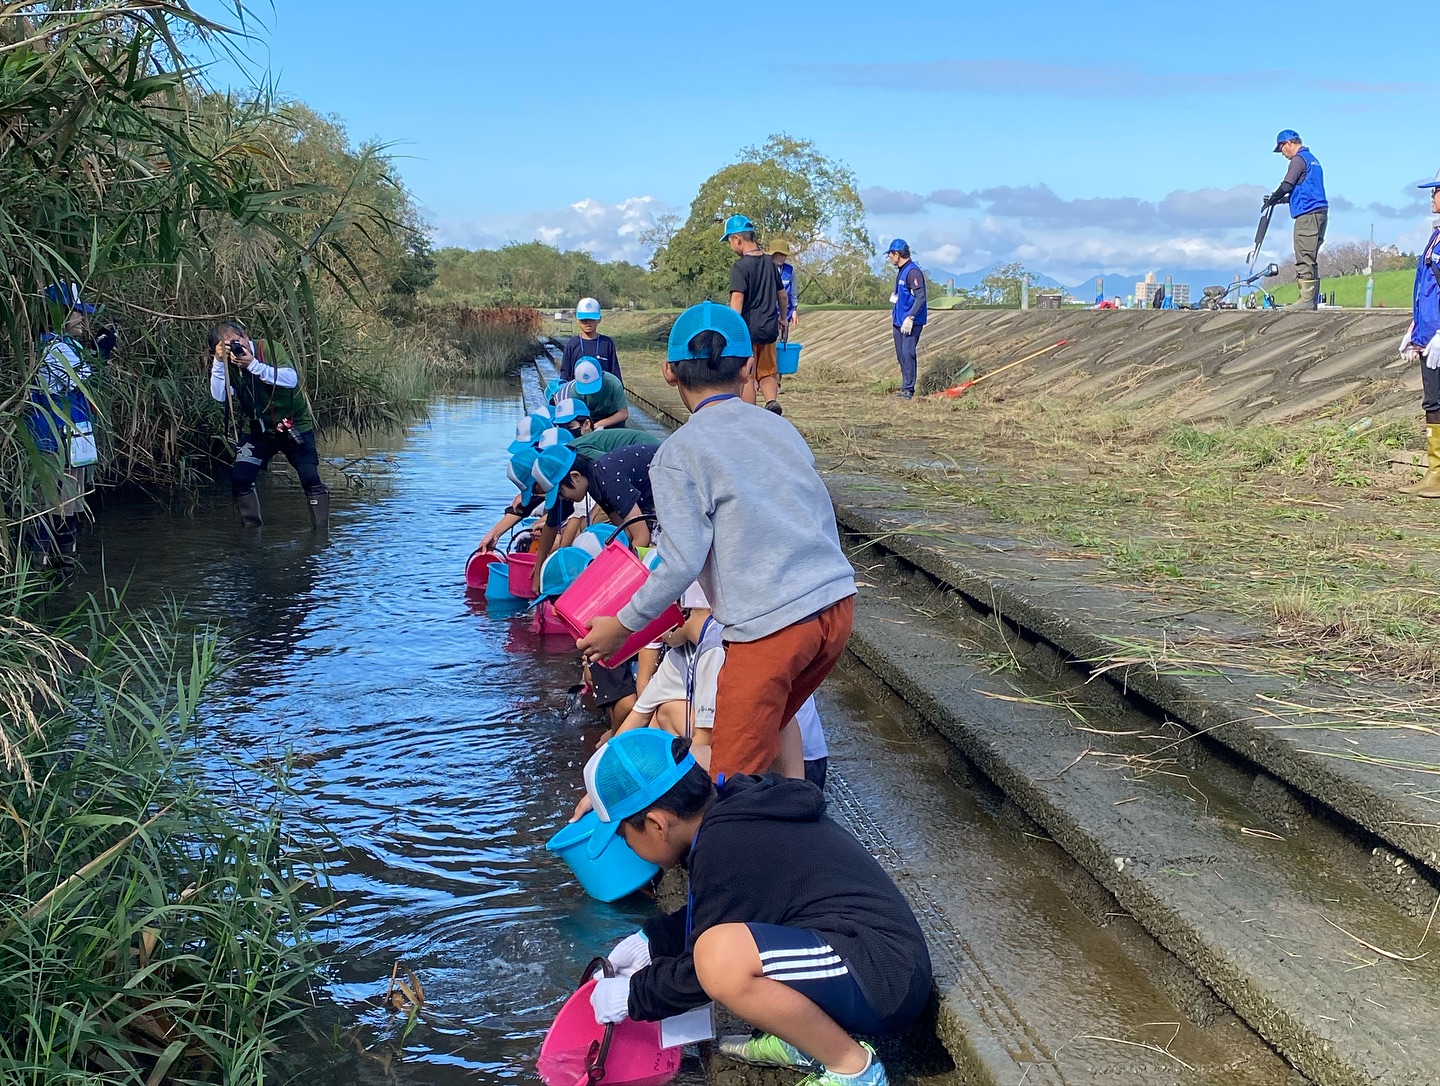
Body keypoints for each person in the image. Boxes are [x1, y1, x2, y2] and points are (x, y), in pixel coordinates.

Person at [576, 302, 856, 780]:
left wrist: (621, 627)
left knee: (730, 771)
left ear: (668, 372)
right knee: (776, 719)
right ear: (749, 367)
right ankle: (796, 807)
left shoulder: (679, 453)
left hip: (773, 626)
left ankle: (732, 843)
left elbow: (680, 560)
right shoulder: (781, 429)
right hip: (836, 605)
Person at [583, 730, 932, 1086]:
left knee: (719, 961)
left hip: (883, 975)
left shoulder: (726, 846)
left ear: (657, 824)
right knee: (717, 949)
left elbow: (702, 973)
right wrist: (652, 941)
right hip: (863, 958)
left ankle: (852, 1068)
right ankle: (804, 1039)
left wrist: (635, 994)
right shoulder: (733, 812)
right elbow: (725, 909)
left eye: (626, 837)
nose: (627, 847)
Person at [208, 321, 329, 532]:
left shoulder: (269, 348)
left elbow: (291, 379)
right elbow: (220, 396)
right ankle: (252, 533)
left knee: (310, 478)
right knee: (241, 479)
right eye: (226, 347)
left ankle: (320, 535)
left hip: (294, 425)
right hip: (260, 429)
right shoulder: (226, 364)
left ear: (246, 335)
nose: (236, 350)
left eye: (237, 343)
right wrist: (219, 363)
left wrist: (253, 364)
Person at [26, 283, 112, 564]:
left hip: (73, 440)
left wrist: (98, 351)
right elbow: (86, 378)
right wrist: (101, 353)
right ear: (60, 314)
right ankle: (42, 569)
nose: (83, 320)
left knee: (70, 504)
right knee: (50, 505)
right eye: (78, 313)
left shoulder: (68, 346)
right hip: (53, 440)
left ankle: (63, 567)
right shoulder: (52, 346)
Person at [1397, 169, 1440, 497]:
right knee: (1432, 403)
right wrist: (1417, 327)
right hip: (1429, 333)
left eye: (1436, 191)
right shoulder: (1435, 236)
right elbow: (1427, 290)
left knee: (1437, 403)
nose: (1432, 196)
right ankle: (1434, 473)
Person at [723, 214, 787, 414]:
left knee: (748, 375)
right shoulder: (770, 263)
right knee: (768, 371)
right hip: (769, 328)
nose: (731, 246)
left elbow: (737, 300)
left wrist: (733, 330)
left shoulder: (740, 267)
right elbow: (782, 296)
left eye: (730, 242)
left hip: (747, 331)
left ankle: (749, 413)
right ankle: (771, 402)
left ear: (738, 239)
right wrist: (783, 319)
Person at [1264, 130, 1328, 311]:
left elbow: (1287, 184)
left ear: (1289, 143)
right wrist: (1283, 199)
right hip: (1319, 212)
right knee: (1311, 255)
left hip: (1308, 214)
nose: (1283, 154)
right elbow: (1304, 189)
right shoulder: (1312, 160)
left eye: (1281, 149)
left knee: (1304, 254)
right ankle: (1311, 300)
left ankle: (1306, 300)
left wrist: (1273, 198)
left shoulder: (1298, 160)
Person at [886, 239, 927, 399]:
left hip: (910, 322)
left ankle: (909, 389)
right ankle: (905, 385)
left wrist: (910, 317)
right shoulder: (901, 271)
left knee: (908, 352)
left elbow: (920, 297)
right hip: (898, 320)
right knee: (901, 354)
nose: (889, 257)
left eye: (890, 254)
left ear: (897, 254)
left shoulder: (913, 272)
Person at [560, 297, 621, 381]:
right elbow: (565, 376)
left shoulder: (607, 344)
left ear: (599, 319)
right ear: (578, 320)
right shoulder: (572, 345)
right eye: (584, 320)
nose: (587, 323)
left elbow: (615, 376)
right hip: (578, 392)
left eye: (591, 319)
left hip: (602, 392)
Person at [564, 357, 629, 429]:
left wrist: (601, 423)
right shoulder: (574, 390)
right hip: (589, 418)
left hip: (612, 417)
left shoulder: (613, 384)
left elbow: (623, 413)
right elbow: (577, 415)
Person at [772, 245, 799, 334]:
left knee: (783, 343)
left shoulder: (790, 270)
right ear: (773, 254)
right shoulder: (765, 268)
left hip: (785, 314)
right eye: (780, 254)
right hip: (769, 315)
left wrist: (794, 310)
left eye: (785, 255)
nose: (783, 258)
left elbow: (793, 291)